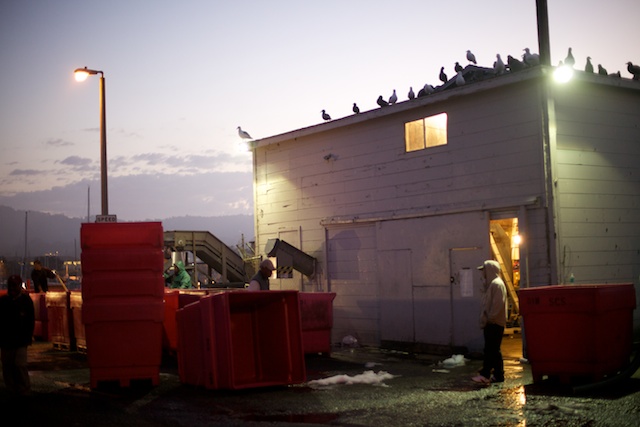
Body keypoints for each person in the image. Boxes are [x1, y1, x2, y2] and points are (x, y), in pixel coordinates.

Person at [472, 260, 507, 385]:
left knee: (490, 349)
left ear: (490, 270)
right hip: (494, 322)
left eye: (484, 270)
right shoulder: (494, 284)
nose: (483, 274)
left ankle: (485, 374)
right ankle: (498, 375)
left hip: (494, 323)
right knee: (494, 350)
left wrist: (490, 319)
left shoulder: (496, 284)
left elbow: (497, 304)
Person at [0, 275, 36, 395]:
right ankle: (14, 390)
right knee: (8, 367)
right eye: (10, 285)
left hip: (19, 340)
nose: (12, 288)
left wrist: (28, 336)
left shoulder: (24, 301)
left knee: (19, 365)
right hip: (7, 341)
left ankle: (23, 390)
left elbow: (30, 320)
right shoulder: (5, 301)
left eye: (14, 285)